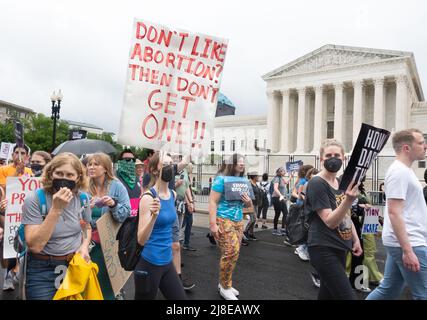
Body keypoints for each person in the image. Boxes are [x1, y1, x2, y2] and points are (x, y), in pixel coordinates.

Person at [21, 152, 92, 300]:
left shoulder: (83, 198)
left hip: (72, 266)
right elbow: (35, 245)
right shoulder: (35, 199)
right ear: (51, 174)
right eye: (59, 173)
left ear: (78, 177)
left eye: (69, 175)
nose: (64, 179)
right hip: (42, 269)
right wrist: (56, 209)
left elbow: (85, 226)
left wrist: (84, 245)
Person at [367, 129, 427, 300]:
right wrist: (408, 251)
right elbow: (394, 212)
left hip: (404, 241)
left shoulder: (403, 171)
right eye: (421, 142)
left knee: (388, 290)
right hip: (409, 242)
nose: (425, 146)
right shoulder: (399, 172)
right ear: (407, 148)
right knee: (423, 294)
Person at [305, 139, 362, 300]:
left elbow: (346, 215)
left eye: (337, 155)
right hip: (323, 248)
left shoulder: (339, 182)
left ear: (343, 158)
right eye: (328, 155)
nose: (333, 158)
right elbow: (330, 221)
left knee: (328, 296)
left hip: (340, 247)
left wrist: (355, 239)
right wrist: (348, 200)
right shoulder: (317, 183)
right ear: (321, 159)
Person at [135, 152, 186, 300]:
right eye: (165, 164)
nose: (169, 167)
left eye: (171, 164)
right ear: (155, 170)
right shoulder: (147, 198)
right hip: (149, 263)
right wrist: (153, 217)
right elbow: (141, 240)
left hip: (167, 262)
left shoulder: (173, 195)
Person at [87, 153, 131, 300]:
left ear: (105, 168)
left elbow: (125, 214)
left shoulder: (117, 187)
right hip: (88, 245)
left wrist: (114, 204)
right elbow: (76, 216)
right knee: (90, 285)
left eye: (96, 164)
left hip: (109, 244)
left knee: (107, 287)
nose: (91, 167)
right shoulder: (84, 186)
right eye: (90, 164)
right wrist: (87, 208)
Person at [209, 153, 252, 300]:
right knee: (231, 251)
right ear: (231, 164)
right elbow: (213, 201)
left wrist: (248, 203)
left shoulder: (244, 181)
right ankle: (225, 288)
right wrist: (213, 224)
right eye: (238, 161)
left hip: (238, 221)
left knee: (234, 254)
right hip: (223, 219)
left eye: (243, 162)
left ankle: (224, 283)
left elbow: (250, 206)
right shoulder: (221, 179)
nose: (241, 164)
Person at [0, 144, 32, 291]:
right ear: (12, 155)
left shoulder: (30, 172)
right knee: (8, 245)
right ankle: (8, 273)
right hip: (7, 213)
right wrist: (16, 174)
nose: (19, 155)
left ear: (27, 156)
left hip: (24, 213)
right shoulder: (3, 170)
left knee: (22, 245)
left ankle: (16, 273)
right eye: (16, 152)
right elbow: (4, 190)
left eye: (23, 153)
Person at [293, 165, 314, 262]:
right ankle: (301, 248)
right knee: (304, 228)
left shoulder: (303, 181)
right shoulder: (303, 182)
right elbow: (300, 195)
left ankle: (302, 248)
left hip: (304, 206)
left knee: (305, 228)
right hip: (302, 206)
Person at [116, 149, 142, 218]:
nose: (130, 161)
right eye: (127, 159)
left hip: (135, 219)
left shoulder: (135, 178)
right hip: (121, 221)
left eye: (133, 160)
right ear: (120, 161)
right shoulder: (115, 179)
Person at [181, 164, 196, 251]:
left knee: (187, 222)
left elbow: (188, 189)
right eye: (192, 167)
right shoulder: (185, 175)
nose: (192, 169)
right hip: (186, 203)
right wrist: (189, 203)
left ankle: (185, 242)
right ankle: (186, 243)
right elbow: (185, 190)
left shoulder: (187, 176)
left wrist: (192, 201)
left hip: (187, 202)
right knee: (187, 223)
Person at [271, 167, 290, 236]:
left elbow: (287, 182)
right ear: (279, 172)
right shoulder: (277, 178)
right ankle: (275, 230)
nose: (285, 172)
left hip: (281, 198)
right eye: (283, 171)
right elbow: (275, 188)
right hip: (276, 198)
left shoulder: (281, 178)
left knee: (285, 213)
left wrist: (292, 174)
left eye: (285, 171)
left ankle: (282, 228)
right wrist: (281, 195)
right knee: (278, 213)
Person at [244, 172, 260, 240]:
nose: (258, 177)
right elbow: (247, 193)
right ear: (254, 177)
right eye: (257, 176)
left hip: (255, 203)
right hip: (250, 204)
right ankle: (245, 232)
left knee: (254, 219)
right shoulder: (249, 183)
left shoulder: (256, 184)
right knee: (253, 219)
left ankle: (251, 233)